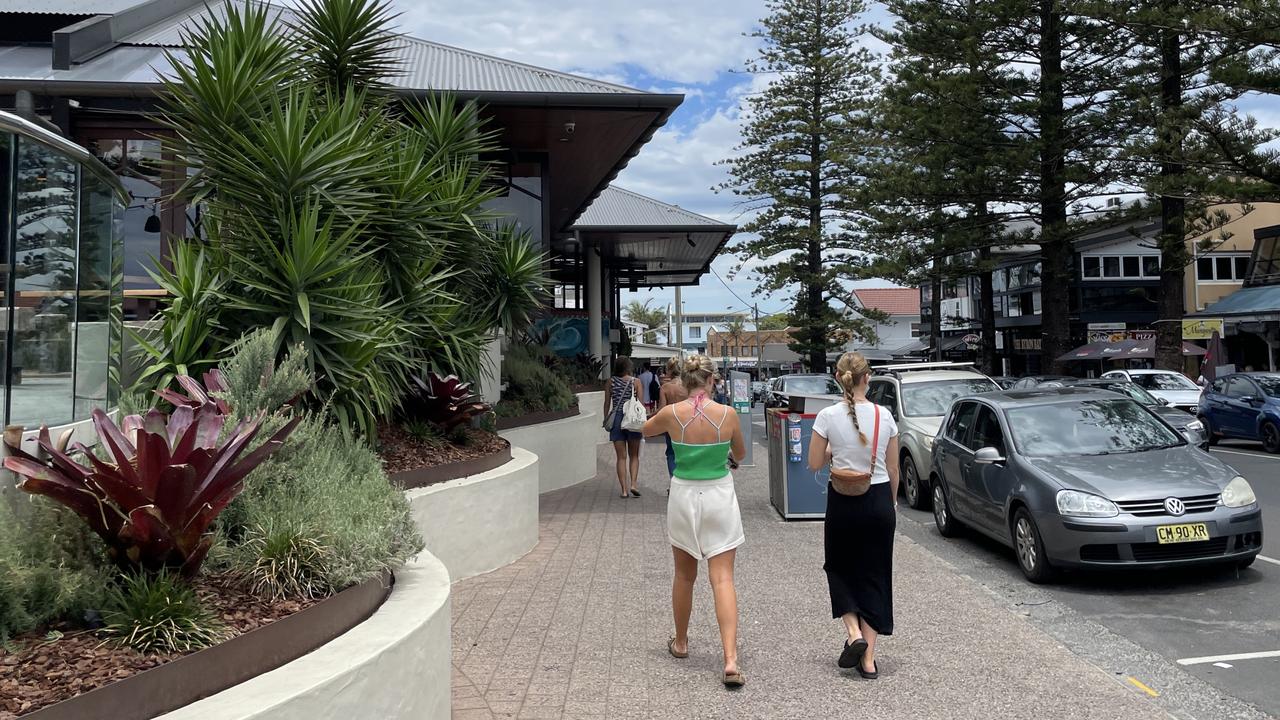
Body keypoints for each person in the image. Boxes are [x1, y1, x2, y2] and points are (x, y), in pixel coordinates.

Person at [643, 355, 748, 689]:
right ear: (712, 380)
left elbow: (646, 431)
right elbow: (741, 455)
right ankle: (730, 659)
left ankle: (682, 642)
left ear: (683, 382)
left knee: (684, 576)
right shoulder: (727, 415)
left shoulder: (672, 413)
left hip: (684, 494)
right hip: (719, 494)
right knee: (722, 579)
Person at [807, 351, 899, 680]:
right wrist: (891, 504)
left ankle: (853, 634)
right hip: (877, 501)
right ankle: (870, 660)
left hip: (843, 501)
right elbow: (892, 468)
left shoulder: (827, 416)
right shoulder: (884, 416)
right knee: (876, 574)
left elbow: (815, 463)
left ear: (838, 378)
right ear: (867, 378)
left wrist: (835, 448)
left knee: (839, 567)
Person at [603, 356, 644, 498]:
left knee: (621, 457)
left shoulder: (610, 382)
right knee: (634, 456)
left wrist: (606, 419)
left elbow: (607, 403)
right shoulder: (636, 382)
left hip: (617, 419)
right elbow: (640, 404)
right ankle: (633, 484)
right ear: (628, 367)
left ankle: (624, 490)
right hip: (632, 419)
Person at [657, 356, 690, 477]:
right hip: (688, 423)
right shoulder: (689, 386)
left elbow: (661, 409)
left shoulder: (665, 388)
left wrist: (649, 417)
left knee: (671, 453)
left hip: (671, 425)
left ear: (669, 370)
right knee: (687, 451)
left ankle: (674, 481)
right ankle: (687, 479)